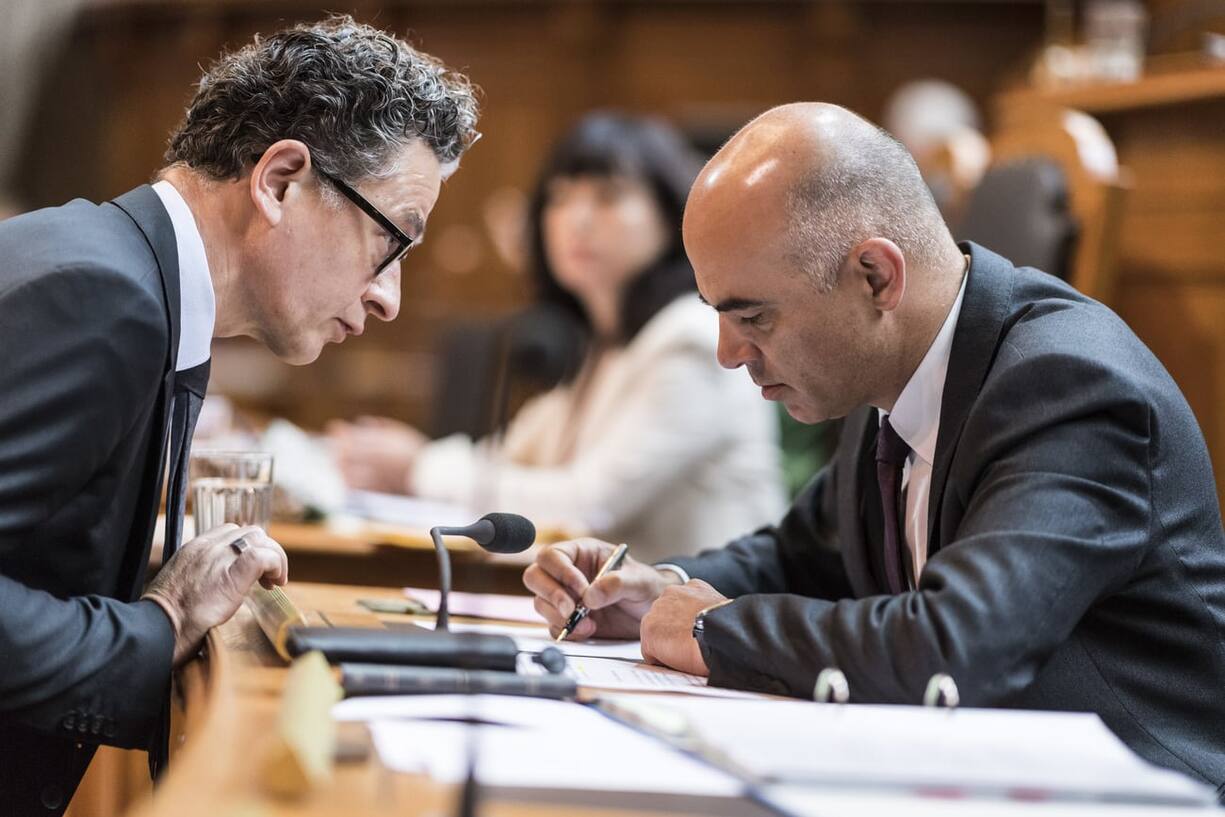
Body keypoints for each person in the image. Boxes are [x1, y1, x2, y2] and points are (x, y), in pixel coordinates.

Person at [524, 103, 1225, 792]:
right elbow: (796, 554)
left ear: (875, 277)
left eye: (753, 316)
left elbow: (956, 647)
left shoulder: (1069, 386)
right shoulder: (890, 376)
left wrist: (713, 627)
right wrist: (654, 589)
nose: (728, 353)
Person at [0, 16, 478, 815]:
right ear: (282, 180)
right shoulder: (107, 299)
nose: (388, 297)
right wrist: (162, 620)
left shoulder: (112, 264)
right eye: (391, 242)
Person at [330, 113, 785, 562]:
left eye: (607, 197)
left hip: (706, 616)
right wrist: (384, 457)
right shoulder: (598, 342)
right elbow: (511, 458)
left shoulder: (691, 336)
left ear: (670, 219)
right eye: (561, 198)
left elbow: (588, 505)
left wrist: (417, 467)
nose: (577, 220)